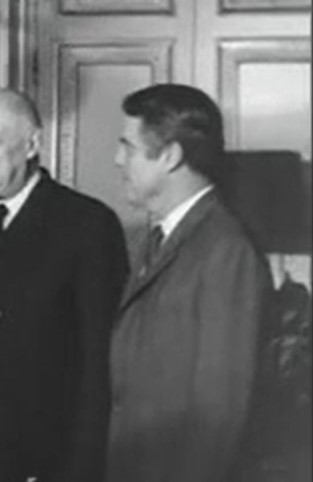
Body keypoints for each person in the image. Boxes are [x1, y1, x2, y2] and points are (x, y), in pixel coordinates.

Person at [0, 88, 129, 482]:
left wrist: (76, 471)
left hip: (39, 459)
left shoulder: (87, 226)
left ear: (31, 144)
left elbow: (98, 366)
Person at [108, 83, 272, 482]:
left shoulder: (226, 252)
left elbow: (219, 417)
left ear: (170, 156)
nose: (117, 160)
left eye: (127, 146)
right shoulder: (156, 241)